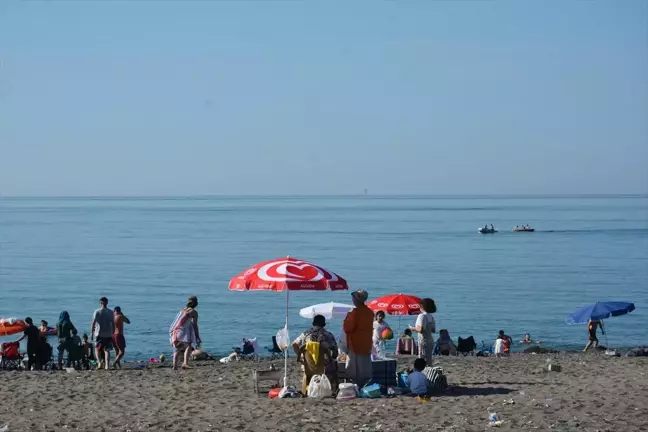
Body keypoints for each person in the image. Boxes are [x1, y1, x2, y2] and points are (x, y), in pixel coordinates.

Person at [292, 314, 339, 394]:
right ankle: (333, 390)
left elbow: (294, 344)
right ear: (324, 324)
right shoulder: (328, 335)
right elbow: (335, 353)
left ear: (313, 323)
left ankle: (305, 391)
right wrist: (331, 357)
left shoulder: (306, 334)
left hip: (308, 365)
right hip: (323, 366)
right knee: (334, 367)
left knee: (306, 370)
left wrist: (301, 357)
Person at [343, 289, 374, 387]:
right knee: (364, 367)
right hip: (366, 343)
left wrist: (347, 318)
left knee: (353, 368)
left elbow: (348, 328)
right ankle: (366, 385)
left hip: (355, 343)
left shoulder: (355, 313)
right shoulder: (370, 312)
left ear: (356, 300)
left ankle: (355, 386)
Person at [169, 296, 201, 370]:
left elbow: (183, 321)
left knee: (177, 347)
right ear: (196, 303)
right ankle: (185, 363)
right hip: (181, 330)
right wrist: (197, 336)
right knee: (188, 346)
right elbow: (195, 325)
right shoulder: (194, 312)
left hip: (174, 329)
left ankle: (175, 366)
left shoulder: (183, 309)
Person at [409, 298, 436, 364]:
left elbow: (420, 330)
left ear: (422, 306)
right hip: (430, 340)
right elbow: (433, 330)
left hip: (423, 340)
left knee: (422, 358)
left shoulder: (421, 316)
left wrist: (413, 328)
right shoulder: (431, 316)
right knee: (429, 359)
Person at [91, 296, 114, 370]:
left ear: (100, 303)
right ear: (107, 303)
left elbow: (93, 323)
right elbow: (113, 323)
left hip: (99, 333)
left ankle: (99, 363)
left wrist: (92, 333)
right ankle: (107, 365)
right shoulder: (111, 312)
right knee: (106, 350)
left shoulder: (97, 311)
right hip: (108, 333)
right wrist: (112, 332)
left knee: (97, 349)